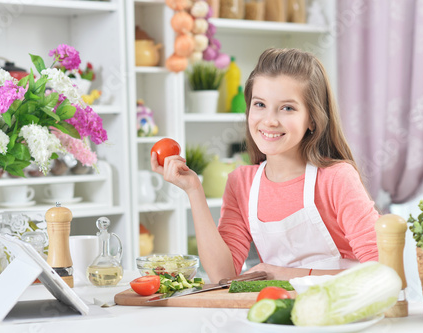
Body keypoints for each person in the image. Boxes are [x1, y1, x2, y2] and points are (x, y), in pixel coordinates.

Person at [151, 48, 379, 283]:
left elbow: (382, 271)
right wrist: (193, 190)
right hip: (277, 312)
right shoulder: (241, 183)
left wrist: (286, 275)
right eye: (260, 104)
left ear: (312, 118)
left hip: (342, 312)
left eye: (287, 108)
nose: (269, 120)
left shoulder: (336, 178)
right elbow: (223, 275)